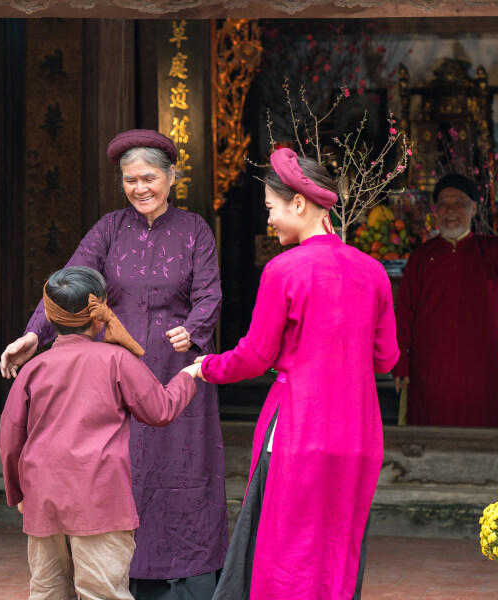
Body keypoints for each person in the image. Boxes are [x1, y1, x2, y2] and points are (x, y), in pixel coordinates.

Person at [0, 129, 228, 598]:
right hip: (112, 370)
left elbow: (210, 293)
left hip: (174, 363)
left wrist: (197, 331)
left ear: (171, 177)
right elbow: (69, 284)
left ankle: (181, 574)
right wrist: (32, 334)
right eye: (129, 180)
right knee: (117, 464)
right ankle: (114, 575)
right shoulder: (108, 229)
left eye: (148, 178)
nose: (139, 188)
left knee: (178, 471)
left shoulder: (195, 230)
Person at [197, 148, 399, 600]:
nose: (268, 220)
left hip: (297, 429)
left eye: (271, 208)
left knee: (284, 552)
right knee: (337, 549)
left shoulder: (283, 270)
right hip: (358, 435)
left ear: (300, 204)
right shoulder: (374, 272)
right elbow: (386, 359)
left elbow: (253, 355)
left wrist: (206, 368)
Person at [0, 266, 204, 600]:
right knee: (103, 594)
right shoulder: (116, 360)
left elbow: (9, 442)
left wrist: (19, 494)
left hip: (43, 497)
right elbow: (161, 410)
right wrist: (189, 375)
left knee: (48, 592)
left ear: (49, 320)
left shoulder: (32, 369)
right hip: (100, 499)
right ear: (99, 316)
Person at [392, 174, 498, 428]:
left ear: (474, 208)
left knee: (481, 433)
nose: (450, 210)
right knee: (430, 435)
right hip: (430, 368)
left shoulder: (488, 251)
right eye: (444, 204)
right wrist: (400, 364)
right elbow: (404, 313)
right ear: (435, 212)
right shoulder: (420, 258)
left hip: (479, 370)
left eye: (459, 203)